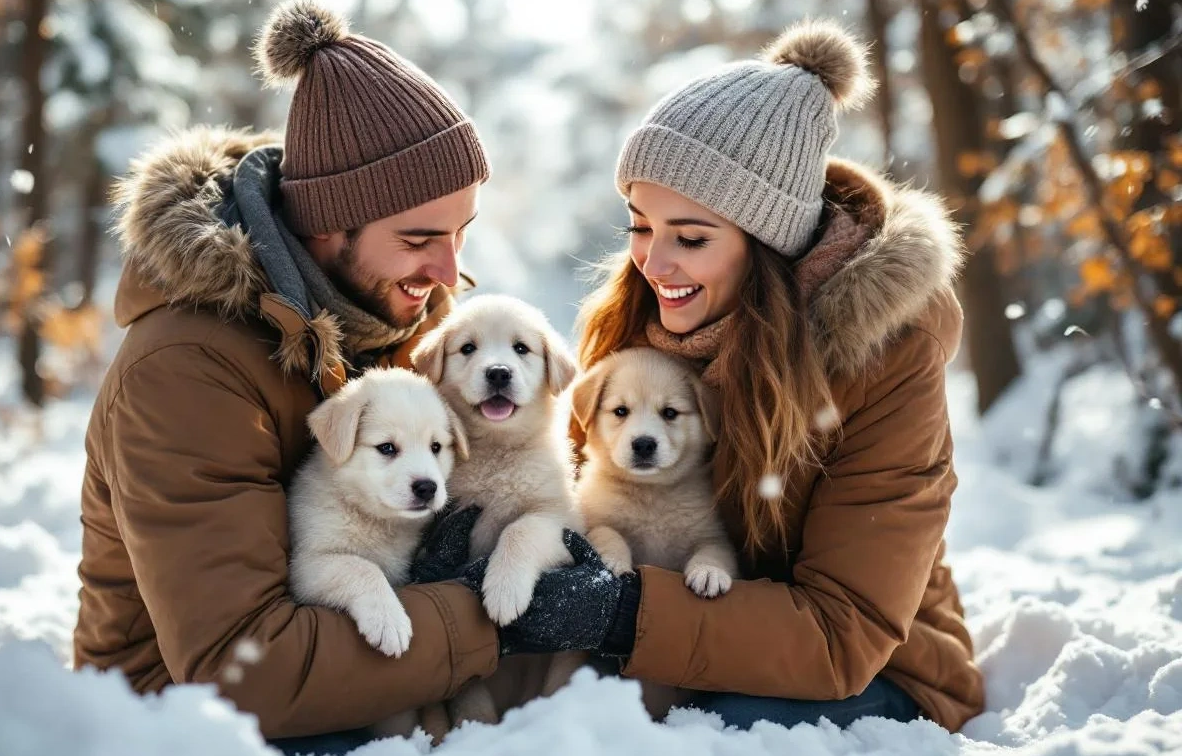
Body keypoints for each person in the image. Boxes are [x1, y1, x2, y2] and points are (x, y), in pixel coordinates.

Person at [70, 3, 626, 753]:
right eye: (420, 239)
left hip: (383, 678)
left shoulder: (400, 321)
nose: (446, 272)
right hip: (193, 724)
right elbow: (243, 675)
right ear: (327, 226)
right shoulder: (187, 371)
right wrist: (484, 618)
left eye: (461, 234)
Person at [565, 20, 987, 732]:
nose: (653, 263)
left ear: (766, 243)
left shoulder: (888, 355)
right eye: (639, 225)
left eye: (690, 237)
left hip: (872, 667)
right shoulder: (636, 318)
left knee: (712, 726)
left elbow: (843, 632)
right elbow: (594, 495)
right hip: (677, 633)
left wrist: (623, 614)